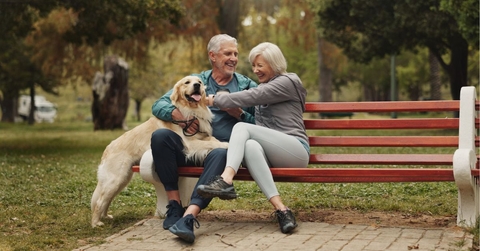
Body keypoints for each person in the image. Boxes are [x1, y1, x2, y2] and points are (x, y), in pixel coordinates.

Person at [150, 34, 257, 243]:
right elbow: (159, 105)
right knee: (161, 136)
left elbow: (263, 124)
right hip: (190, 146)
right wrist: (177, 117)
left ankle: (188, 217)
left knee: (220, 152)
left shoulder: (246, 86)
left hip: (220, 152)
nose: (233, 58)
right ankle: (173, 206)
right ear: (213, 56)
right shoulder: (196, 81)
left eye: (235, 54)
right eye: (227, 53)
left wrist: (241, 115)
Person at [196, 42, 310, 234]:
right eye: (254, 66)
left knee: (242, 129)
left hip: (296, 150)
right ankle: (282, 210)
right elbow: (261, 127)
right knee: (249, 145)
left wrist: (212, 100)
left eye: (260, 65)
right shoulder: (266, 87)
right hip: (275, 152)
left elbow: (252, 95)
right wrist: (241, 115)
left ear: (274, 64)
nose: (255, 70)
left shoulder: (287, 82)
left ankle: (226, 179)